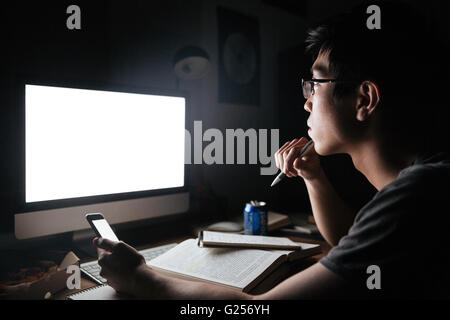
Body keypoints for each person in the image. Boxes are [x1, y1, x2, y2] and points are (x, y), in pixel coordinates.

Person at [94, 1, 450, 299]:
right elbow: (353, 244)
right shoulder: (422, 181)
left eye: (316, 83)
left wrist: (142, 278)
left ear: (364, 99)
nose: (307, 102)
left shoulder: (419, 194)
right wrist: (313, 177)